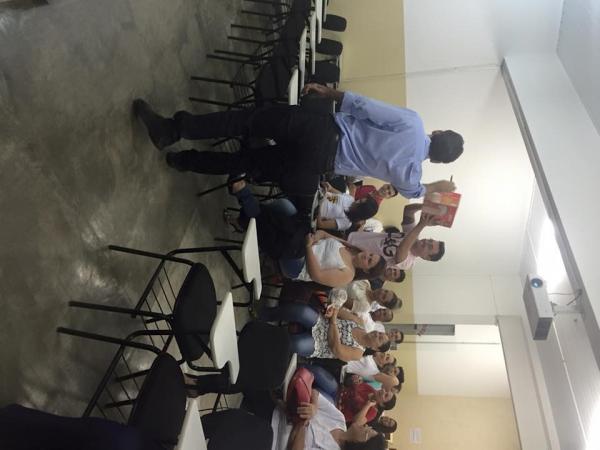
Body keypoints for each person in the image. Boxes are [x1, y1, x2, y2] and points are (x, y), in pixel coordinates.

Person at [132, 84, 462, 202]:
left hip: (320, 131)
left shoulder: (413, 124)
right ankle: (184, 161)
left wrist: (329, 92)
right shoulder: (411, 175)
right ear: (437, 161)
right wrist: (439, 187)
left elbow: (365, 107)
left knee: (247, 121)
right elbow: (414, 192)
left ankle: (173, 131)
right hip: (320, 164)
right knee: (246, 163)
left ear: (439, 132)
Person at [226, 179, 385, 287]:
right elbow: (324, 234)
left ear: (366, 270)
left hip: (299, 264)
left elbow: (316, 275)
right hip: (304, 239)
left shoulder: (348, 275)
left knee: (282, 233)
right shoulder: (350, 247)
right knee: (285, 209)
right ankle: (245, 212)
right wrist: (315, 237)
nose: (367, 256)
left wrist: (309, 247)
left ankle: (246, 202)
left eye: (369, 261)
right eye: (371, 254)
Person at [260, 304, 390, 362]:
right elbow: (338, 311)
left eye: (380, 339)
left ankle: (263, 337)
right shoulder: (359, 323)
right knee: (302, 311)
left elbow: (335, 348)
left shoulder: (358, 353)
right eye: (380, 333)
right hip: (322, 322)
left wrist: (333, 322)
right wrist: (332, 312)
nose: (377, 334)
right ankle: (267, 314)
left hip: (319, 345)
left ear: (375, 348)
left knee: (296, 344)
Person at [347, 203, 444, 271]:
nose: (427, 242)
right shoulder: (414, 234)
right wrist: (425, 207)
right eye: (430, 240)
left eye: (429, 247)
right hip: (354, 237)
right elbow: (408, 210)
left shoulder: (409, 263)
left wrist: (422, 225)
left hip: (352, 256)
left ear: (426, 257)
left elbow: (402, 250)